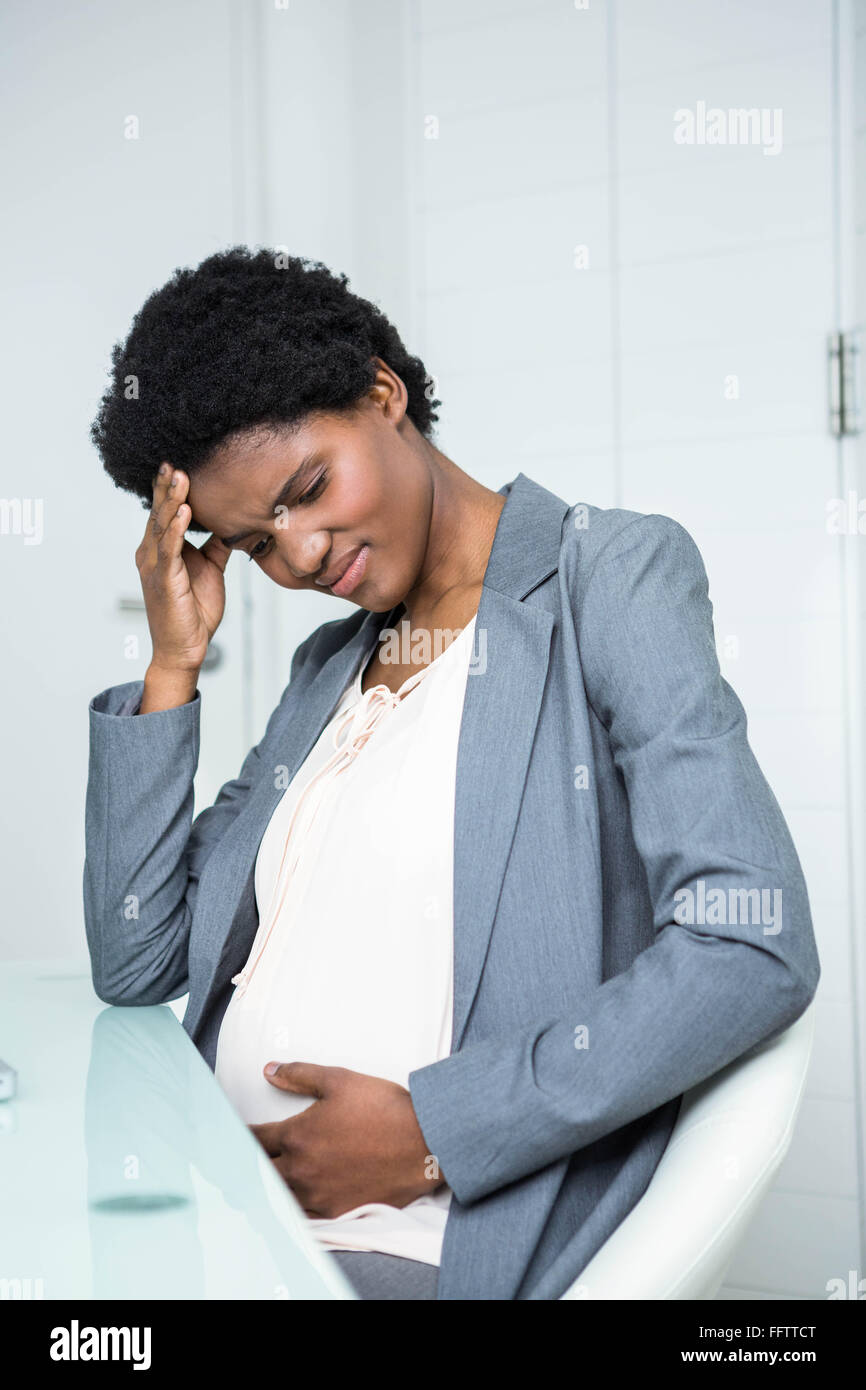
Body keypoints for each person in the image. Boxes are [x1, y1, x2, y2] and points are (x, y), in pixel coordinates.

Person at [84, 246, 820, 1301]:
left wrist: (436, 1131)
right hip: (220, 1224)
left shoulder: (603, 578)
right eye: (252, 544)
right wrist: (171, 665)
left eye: (306, 489)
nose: (297, 557)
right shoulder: (323, 672)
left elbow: (747, 941)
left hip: (411, 1250)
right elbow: (134, 952)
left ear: (383, 393)